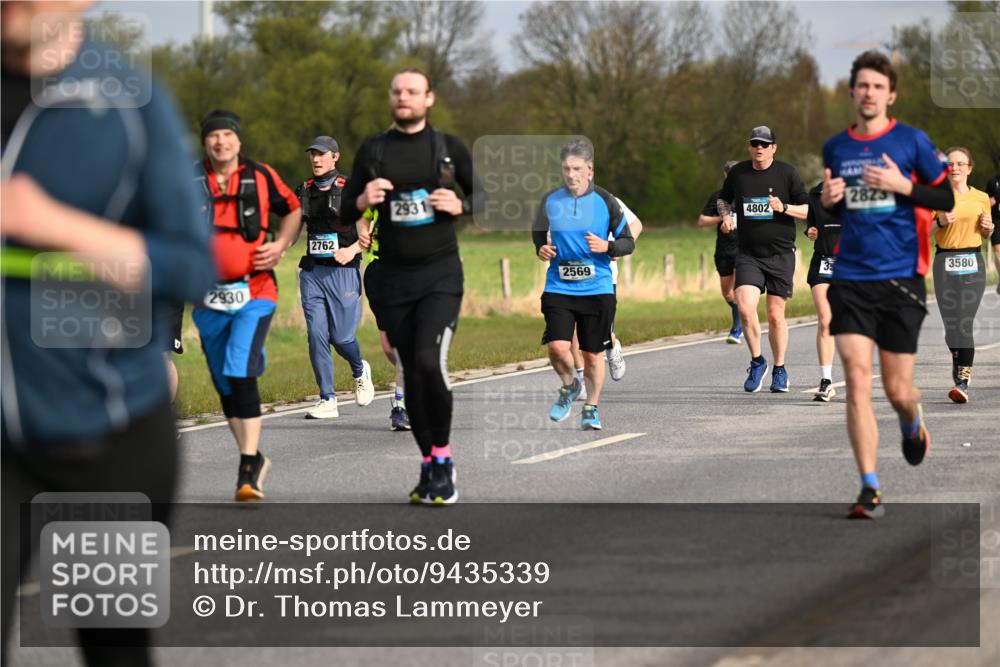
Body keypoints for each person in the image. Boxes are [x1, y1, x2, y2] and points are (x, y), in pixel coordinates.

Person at [1, 2, 214, 663]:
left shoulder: (129, 103)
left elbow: (190, 266)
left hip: (109, 434)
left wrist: (52, 224)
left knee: (115, 650)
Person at [820, 50, 953, 519]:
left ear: (890, 94)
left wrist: (903, 186)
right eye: (863, 85)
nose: (869, 93)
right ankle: (869, 487)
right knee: (856, 378)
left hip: (901, 278)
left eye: (878, 86)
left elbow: (945, 194)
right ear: (853, 92)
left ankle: (913, 423)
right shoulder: (837, 148)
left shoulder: (912, 142)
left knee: (898, 391)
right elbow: (837, 208)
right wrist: (829, 200)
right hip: (851, 278)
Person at [346, 68, 483, 505]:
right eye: (397, 91)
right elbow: (347, 202)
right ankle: (429, 463)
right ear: (391, 99)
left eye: (412, 91)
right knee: (411, 372)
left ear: (429, 99)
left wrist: (460, 203)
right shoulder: (374, 150)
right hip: (392, 279)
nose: (404, 97)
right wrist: (363, 202)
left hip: (439, 275)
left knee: (429, 362)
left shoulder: (447, 148)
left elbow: (485, 198)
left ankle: (443, 461)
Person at [191, 109, 301, 501]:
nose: (221, 141)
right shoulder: (187, 179)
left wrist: (281, 244)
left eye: (227, 135)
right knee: (224, 383)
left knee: (239, 368)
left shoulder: (261, 176)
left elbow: (293, 208)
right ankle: (253, 457)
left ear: (239, 140)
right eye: (213, 136)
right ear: (205, 141)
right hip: (207, 299)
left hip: (255, 292)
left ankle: (247, 468)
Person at [534, 139, 636, 431]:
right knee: (556, 347)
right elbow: (538, 233)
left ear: (589, 170)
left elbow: (628, 242)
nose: (571, 174)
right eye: (566, 168)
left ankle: (591, 407)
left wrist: (608, 246)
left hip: (597, 289)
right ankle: (569, 386)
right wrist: (541, 248)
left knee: (592, 353)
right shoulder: (550, 200)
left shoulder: (606, 201)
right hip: (559, 286)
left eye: (577, 168)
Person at [717, 127, 809, 392]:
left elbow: (807, 210)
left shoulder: (787, 173)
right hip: (748, 255)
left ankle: (780, 369)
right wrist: (725, 216)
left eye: (764, 144)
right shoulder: (739, 173)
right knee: (745, 308)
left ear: (773, 148)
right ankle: (758, 361)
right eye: (755, 143)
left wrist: (784, 207)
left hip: (781, 254)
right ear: (749, 147)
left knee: (775, 315)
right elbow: (724, 199)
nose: (759, 148)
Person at [296, 135, 374, 419]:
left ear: (335, 157)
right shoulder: (304, 190)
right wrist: (278, 248)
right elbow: (294, 227)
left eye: (322, 154)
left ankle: (359, 369)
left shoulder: (350, 189)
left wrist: (350, 249)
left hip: (343, 272)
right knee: (317, 335)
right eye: (312, 154)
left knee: (341, 338)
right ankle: (327, 399)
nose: (316, 159)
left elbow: (369, 235)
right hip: (313, 273)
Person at [931, 147, 993, 403]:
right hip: (944, 261)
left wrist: (989, 228)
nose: (955, 168)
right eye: (950, 164)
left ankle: (962, 381)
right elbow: (921, 231)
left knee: (963, 322)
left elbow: (987, 232)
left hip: (972, 262)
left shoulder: (981, 197)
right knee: (950, 327)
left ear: (969, 168)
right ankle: (959, 362)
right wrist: (940, 222)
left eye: (960, 163)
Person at [568, 195, 643, 395]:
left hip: (602, 277)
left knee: (595, 332)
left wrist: (617, 246)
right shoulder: (557, 203)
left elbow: (636, 224)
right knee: (572, 330)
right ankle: (582, 379)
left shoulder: (607, 200)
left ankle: (611, 344)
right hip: (569, 276)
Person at [359, 207, 411, 431]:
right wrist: (363, 232)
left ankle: (401, 406)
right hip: (378, 270)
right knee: (389, 348)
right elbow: (363, 215)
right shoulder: (376, 189)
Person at [698, 160, 742, 344]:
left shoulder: (747, 196)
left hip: (744, 250)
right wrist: (723, 218)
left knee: (740, 290)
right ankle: (741, 312)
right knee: (727, 293)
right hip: (724, 250)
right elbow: (701, 221)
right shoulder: (718, 197)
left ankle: (737, 329)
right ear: (726, 176)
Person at [805, 181, 842, 401]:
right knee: (826, 320)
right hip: (824, 262)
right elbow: (812, 224)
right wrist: (810, 231)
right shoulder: (816, 194)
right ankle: (826, 381)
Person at [987, 172, 1000, 293]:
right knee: (998, 250)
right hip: (996, 220)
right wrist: (988, 203)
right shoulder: (992, 182)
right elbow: (986, 201)